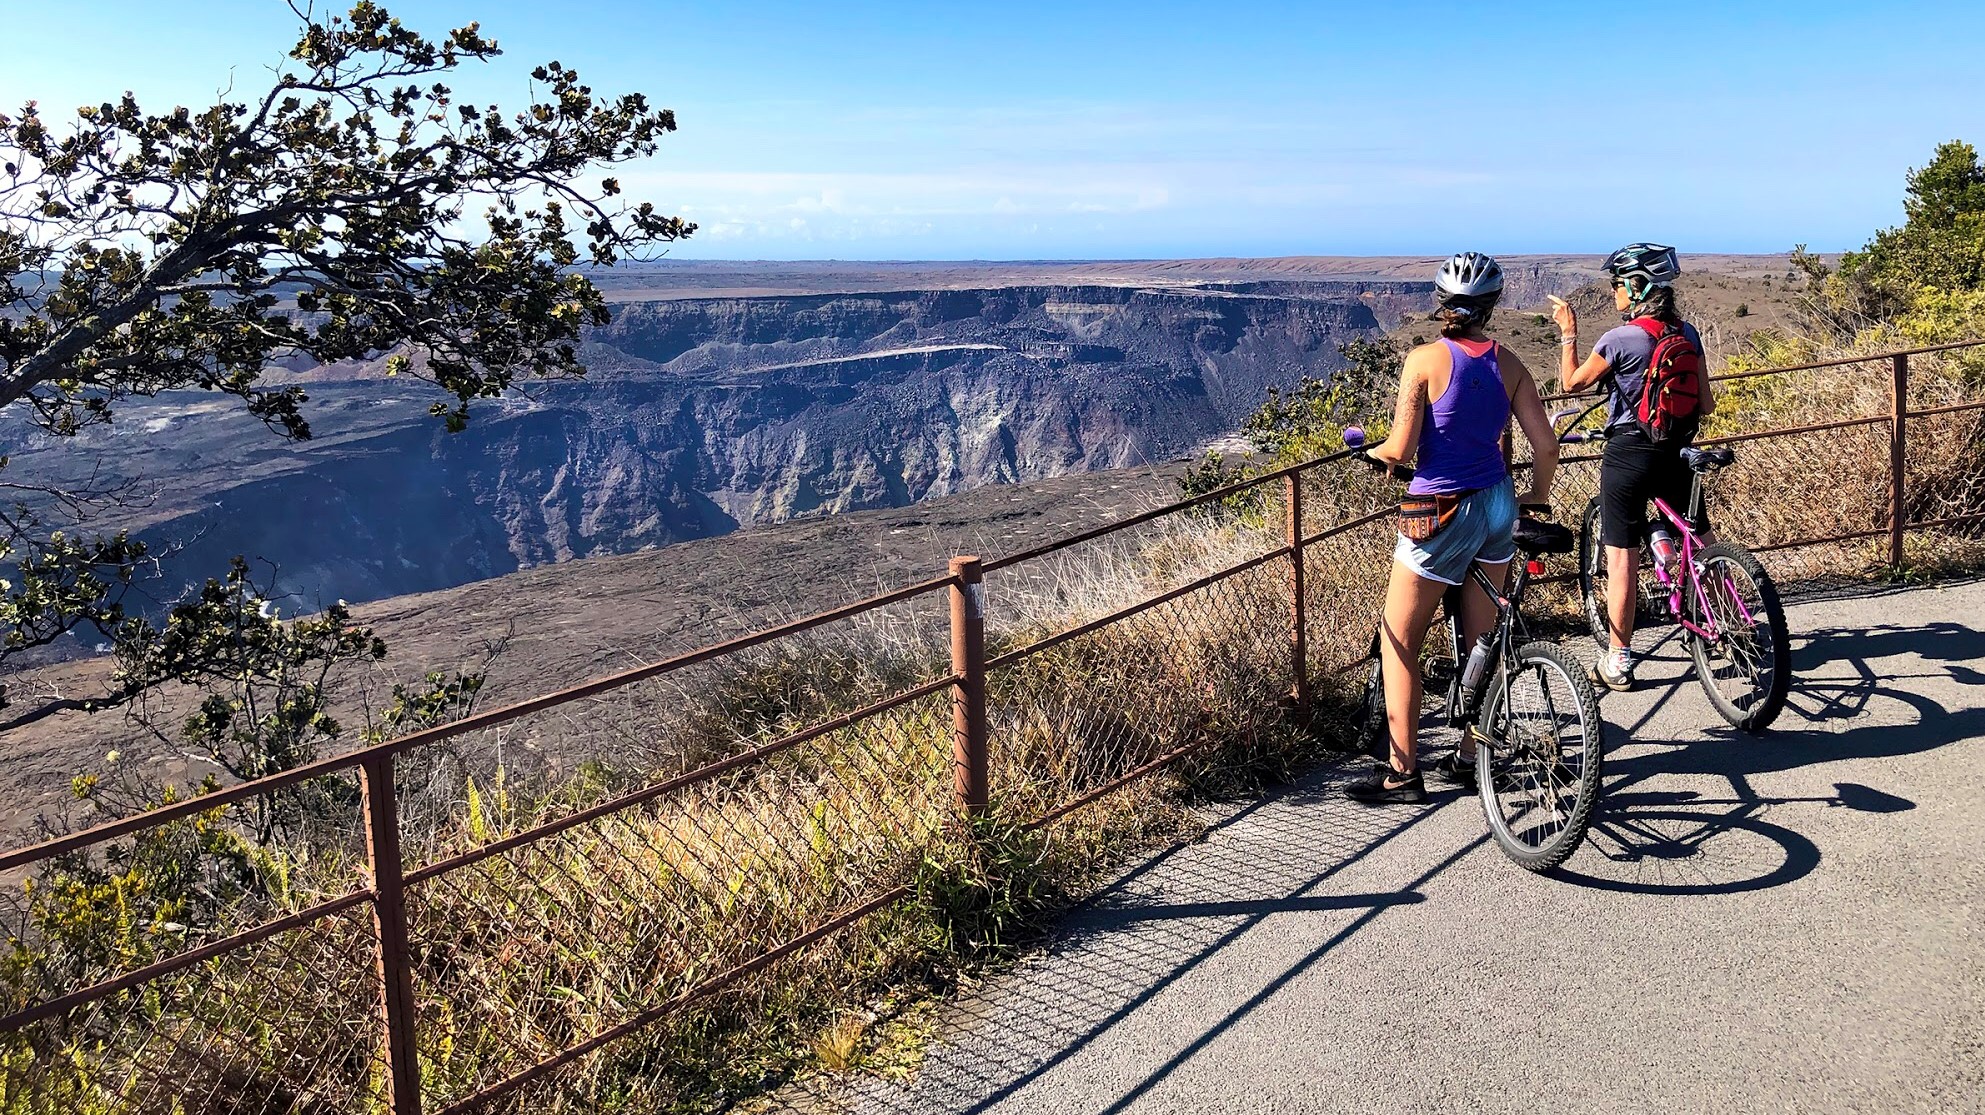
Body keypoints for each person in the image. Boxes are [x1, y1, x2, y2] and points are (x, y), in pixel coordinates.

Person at [1346, 252, 1559, 805]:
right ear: (1491, 306)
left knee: (1400, 640)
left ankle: (1401, 773)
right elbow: (1546, 445)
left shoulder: (1423, 361)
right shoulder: (1510, 364)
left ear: (1442, 302)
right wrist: (1534, 495)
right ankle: (1471, 755)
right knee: (1479, 640)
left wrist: (1368, 451)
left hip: (1439, 511)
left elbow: (1400, 449)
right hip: (1496, 506)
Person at [1551, 243, 1718, 691]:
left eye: (1616, 285)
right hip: (1678, 449)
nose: (1613, 293)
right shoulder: (1688, 335)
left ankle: (1619, 659)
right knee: (1698, 533)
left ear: (1635, 286)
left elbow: (1571, 385)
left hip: (1628, 454)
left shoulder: (1618, 339)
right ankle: (1729, 616)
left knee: (1621, 557)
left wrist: (1569, 333)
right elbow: (1706, 403)